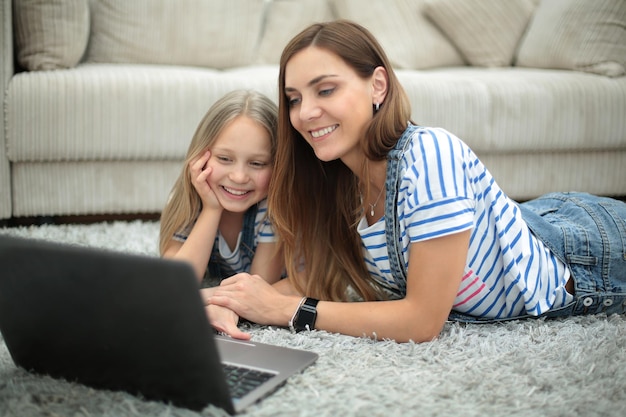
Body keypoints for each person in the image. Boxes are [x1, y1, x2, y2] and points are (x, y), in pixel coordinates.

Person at [206, 21, 626, 343]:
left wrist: (291, 311)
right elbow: (316, 277)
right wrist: (231, 303)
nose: (306, 113)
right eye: (294, 99)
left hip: (591, 255)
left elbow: (422, 320)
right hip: (531, 218)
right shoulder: (338, 180)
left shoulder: (429, 154)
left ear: (378, 85)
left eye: (326, 90)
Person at [159, 89, 284, 339]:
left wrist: (207, 298)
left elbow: (258, 287)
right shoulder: (189, 199)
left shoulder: (274, 207)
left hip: (291, 282)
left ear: (277, 164)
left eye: (257, 163)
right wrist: (211, 208)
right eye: (225, 158)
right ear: (201, 156)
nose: (239, 177)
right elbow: (176, 282)